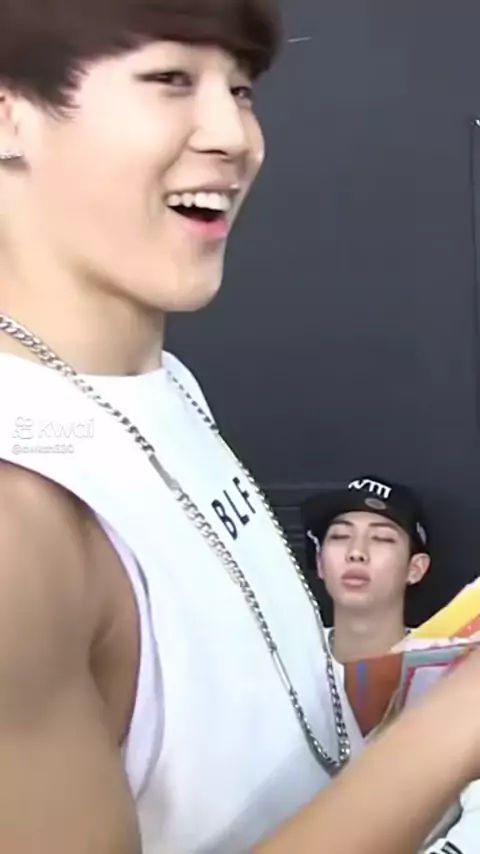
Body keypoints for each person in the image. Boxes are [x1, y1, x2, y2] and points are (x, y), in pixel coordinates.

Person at [1, 1, 480, 852]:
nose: (235, 136)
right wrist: (457, 727)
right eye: (169, 79)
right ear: (9, 116)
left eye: (242, 90)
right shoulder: (20, 520)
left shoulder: (160, 387)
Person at [302, 474, 480, 852]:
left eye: (381, 538)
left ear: (416, 568)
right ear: (319, 562)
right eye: (340, 536)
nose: (356, 552)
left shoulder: (456, 671)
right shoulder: (279, 664)